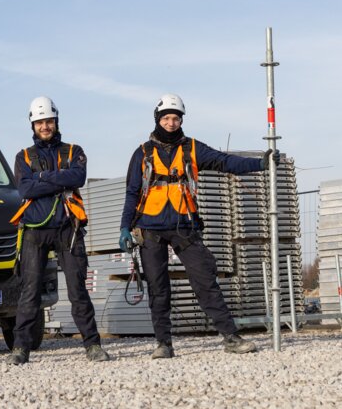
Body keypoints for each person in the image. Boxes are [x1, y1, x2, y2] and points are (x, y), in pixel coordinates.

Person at [119, 94, 280, 358]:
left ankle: (230, 337)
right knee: (158, 289)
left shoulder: (193, 148)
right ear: (158, 120)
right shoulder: (143, 153)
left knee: (206, 282)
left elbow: (225, 162)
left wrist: (260, 164)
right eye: (166, 118)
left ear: (181, 120)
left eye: (176, 118)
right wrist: (125, 227)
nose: (171, 123)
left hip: (185, 226)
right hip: (149, 228)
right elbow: (132, 192)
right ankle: (164, 344)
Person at [6, 96, 111, 365]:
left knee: (78, 290)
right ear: (33, 124)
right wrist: (56, 180)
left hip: (68, 229)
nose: (45, 126)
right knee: (29, 291)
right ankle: (20, 349)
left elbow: (77, 178)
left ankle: (92, 346)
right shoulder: (23, 156)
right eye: (40, 122)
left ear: (56, 121)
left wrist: (41, 178)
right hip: (34, 231)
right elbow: (26, 189)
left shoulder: (74, 150)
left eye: (48, 121)